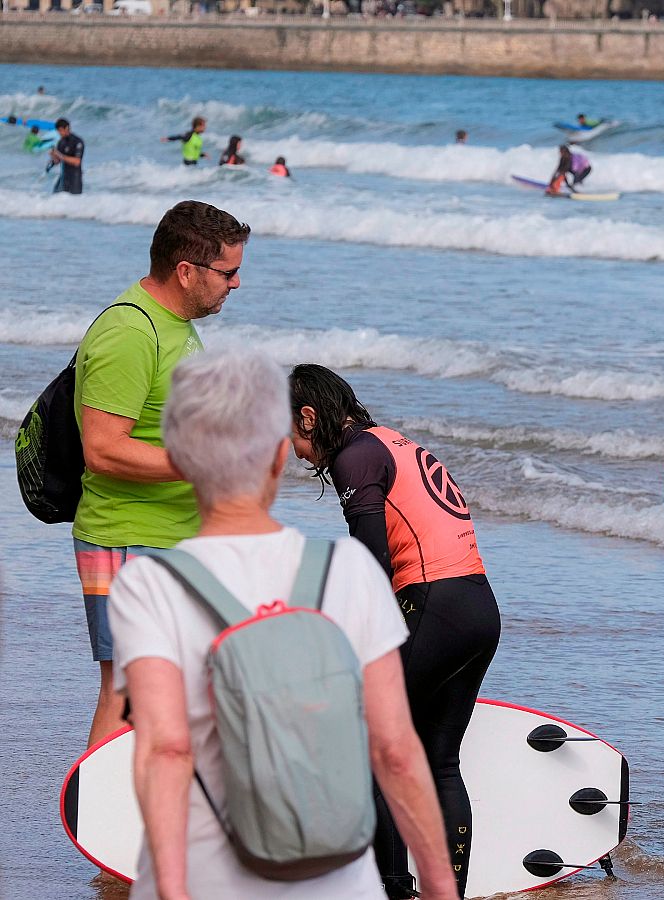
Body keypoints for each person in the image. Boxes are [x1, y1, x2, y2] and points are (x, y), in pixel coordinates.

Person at [108, 349, 459, 900]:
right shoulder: (349, 571)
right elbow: (394, 750)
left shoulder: (148, 585)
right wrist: (441, 888)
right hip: (339, 884)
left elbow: (167, 750)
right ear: (277, 455)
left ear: (181, 459)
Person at [288, 365, 500, 900]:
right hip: (477, 609)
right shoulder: (390, 442)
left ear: (309, 417)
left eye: (291, 435)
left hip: (432, 605)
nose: (295, 453)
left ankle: (394, 890)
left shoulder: (354, 456)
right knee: (438, 759)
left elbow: (370, 565)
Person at [74, 200, 250, 748]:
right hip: (127, 537)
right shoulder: (131, 330)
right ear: (186, 271)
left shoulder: (177, 326)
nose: (236, 283)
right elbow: (102, 449)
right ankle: (92, 805)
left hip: (172, 540)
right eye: (227, 272)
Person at [50, 118, 84, 195]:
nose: (59, 133)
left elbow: (77, 162)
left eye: (61, 130)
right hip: (63, 177)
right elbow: (57, 161)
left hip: (75, 178)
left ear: (67, 128)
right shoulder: (61, 142)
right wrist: (53, 155)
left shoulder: (77, 141)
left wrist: (60, 155)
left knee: (74, 201)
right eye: (58, 131)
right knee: (54, 197)